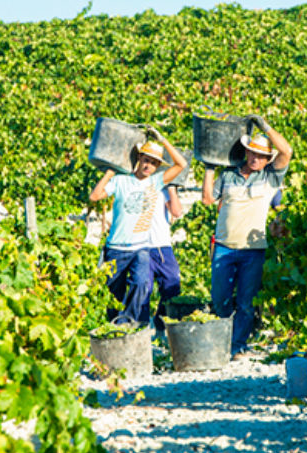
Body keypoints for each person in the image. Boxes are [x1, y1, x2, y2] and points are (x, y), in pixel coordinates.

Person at [202, 114, 292, 358]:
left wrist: (264, 125)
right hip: (224, 246)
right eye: (252, 153)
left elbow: (287, 150)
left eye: (261, 156)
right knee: (219, 298)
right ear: (246, 152)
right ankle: (222, 342)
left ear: (266, 160)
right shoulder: (229, 175)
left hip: (253, 249)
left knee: (246, 302)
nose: (255, 158)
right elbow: (208, 199)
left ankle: (237, 345)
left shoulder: (270, 178)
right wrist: (209, 168)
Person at [89, 127, 188, 327]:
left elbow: (182, 164)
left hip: (140, 248)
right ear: (138, 159)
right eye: (145, 160)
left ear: (157, 166)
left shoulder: (155, 182)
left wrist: (163, 140)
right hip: (116, 248)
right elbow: (95, 196)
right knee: (113, 294)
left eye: (153, 163)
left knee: (142, 283)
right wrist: (110, 171)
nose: (148, 166)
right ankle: (115, 327)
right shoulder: (120, 180)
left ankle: (132, 322)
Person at [145, 183, 184, 335]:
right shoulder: (132, 183)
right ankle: (142, 328)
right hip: (139, 246)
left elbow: (177, 211)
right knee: (142, 289)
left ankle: (160, 323)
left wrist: (172, 187)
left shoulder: (163, 187)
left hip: (162, 245)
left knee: (172, 285)